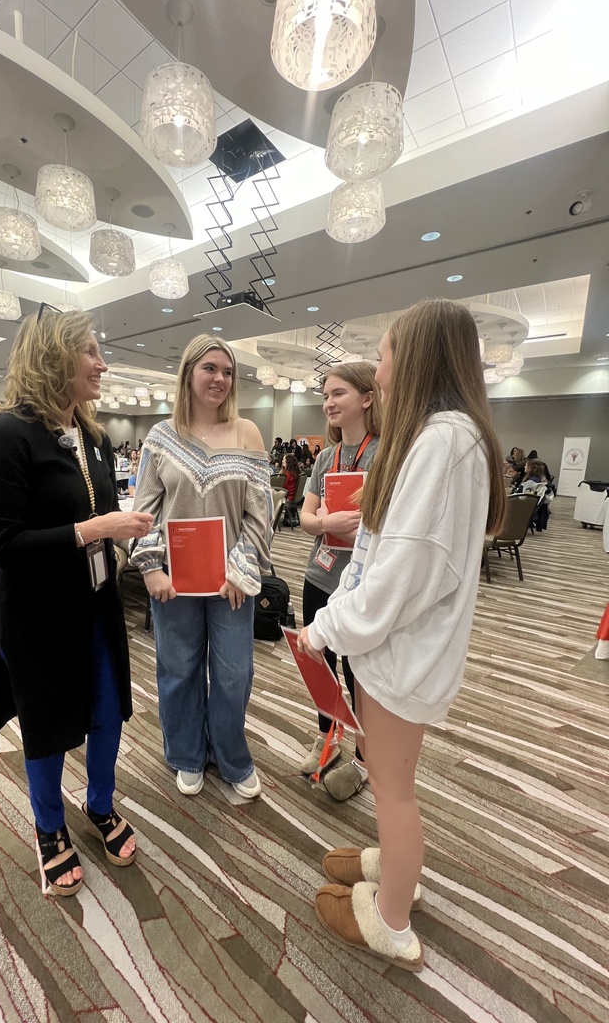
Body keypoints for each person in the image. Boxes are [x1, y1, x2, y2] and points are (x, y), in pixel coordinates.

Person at [298, 298, 505, 972]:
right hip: (408, 648)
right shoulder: (451, 435)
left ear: (414, 358)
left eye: (384, 354)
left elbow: (400, 577)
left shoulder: (442, 441)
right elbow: (404, 552)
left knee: (392, 787)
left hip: (402, 650)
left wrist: (326, 628)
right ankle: (394, 867)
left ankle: (389, 916)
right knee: (393, 780)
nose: (377, 369)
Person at [0, 308, 153, 898]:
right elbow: (3, 545)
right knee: (48, 724)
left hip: (98, 604)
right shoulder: (7, 434)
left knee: (109, 710)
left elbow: (100, 521)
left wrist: (121, 538)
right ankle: (49, 828)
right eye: (91, 352)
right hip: (38, 613)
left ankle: (99, 804)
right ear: (55, 357)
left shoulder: (94, 437)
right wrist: (94, 529)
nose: (102, 364)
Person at [130, 334, 272, 799]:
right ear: (189, 373)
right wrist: (151, 567)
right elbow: (144, 507)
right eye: (210, 369)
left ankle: (231, 756)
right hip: (174, 578)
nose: (220, 379)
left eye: (228, 372)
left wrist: (243, 569)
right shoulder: (161, 436)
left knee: (234, 672)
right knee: (179, 667)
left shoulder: (247, 432)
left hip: (232, 579)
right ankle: (187, 754)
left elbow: (260, 512)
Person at [298, 362, 381, 800]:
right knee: (319, 663)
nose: (328, 403)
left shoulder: (384, 454)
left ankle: (364, 761)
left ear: (367, 398)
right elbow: (305, 516)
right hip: (321, 573)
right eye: (325, 395)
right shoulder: (326, 458)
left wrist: (360, 526)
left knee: (358, 673)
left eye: (338, 394)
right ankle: (327, 738)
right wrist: (326, 521)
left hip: (363, 581)